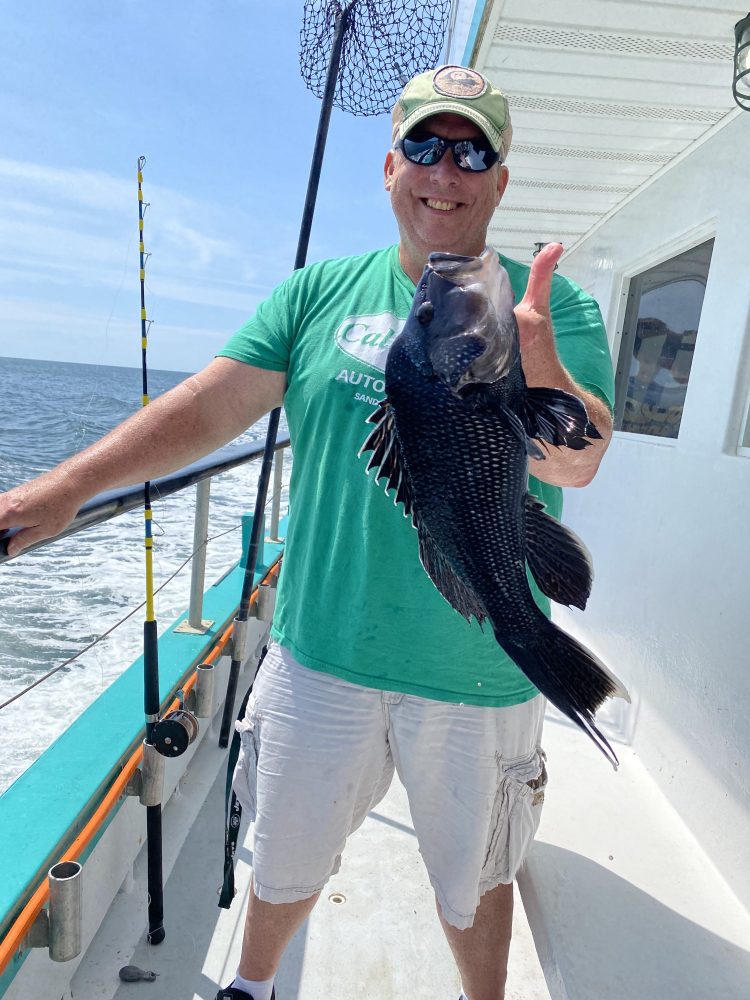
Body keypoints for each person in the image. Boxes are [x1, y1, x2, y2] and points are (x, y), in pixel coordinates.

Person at [0, 66, 614, 1000]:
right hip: (319, 650)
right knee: (281, 860)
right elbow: (211, 409)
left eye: (471, 151)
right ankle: (249, 986)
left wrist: (530, 357)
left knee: (475, 878)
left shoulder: (551, 306)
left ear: (497, 180)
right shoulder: (317, 292)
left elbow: (576, 460)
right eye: (424, 145)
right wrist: (70, 487)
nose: (444, 170)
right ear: (388, 167)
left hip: (482, 669)